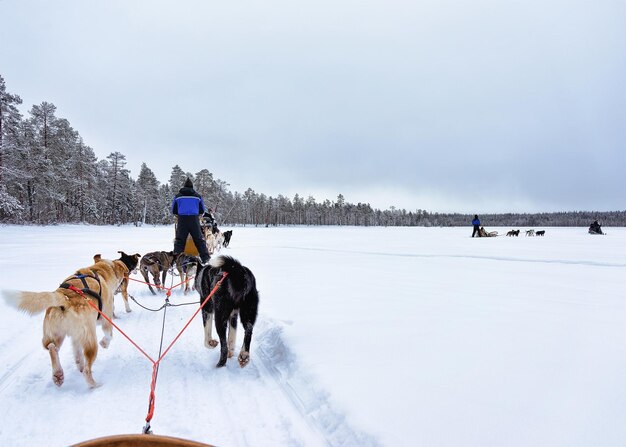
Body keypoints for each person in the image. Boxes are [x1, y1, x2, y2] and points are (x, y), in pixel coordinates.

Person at [172, 178, 211, 263]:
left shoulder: (178, 196)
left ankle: (177, 261)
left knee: (179, 241)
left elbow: (174, 210)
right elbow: (202, 210)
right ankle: (206, 259)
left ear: (184, 186)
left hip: (182, 220)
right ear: (192, 187)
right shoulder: (197, 196)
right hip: (194, 219)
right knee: (199, 240)